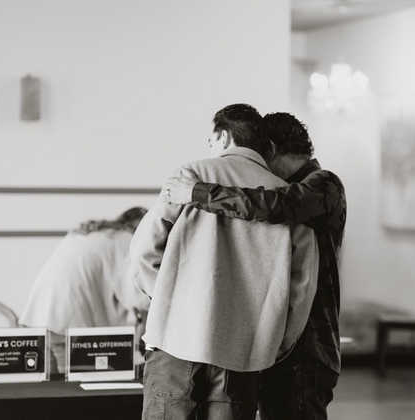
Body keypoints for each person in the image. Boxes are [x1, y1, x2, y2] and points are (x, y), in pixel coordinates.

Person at [130, 104, 319, 420]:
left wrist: (169, 304)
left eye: (211, 140)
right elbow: (302, 286)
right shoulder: (288, 197)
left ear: (224, 136)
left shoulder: (191, 176)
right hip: (245, 353)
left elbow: (144, 252)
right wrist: (273, 342)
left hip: (176, 343)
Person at [19, 207, 150, 373]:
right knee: (70, 386)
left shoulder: (88, 233)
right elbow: (137, 295)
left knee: (50, 385)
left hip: (38, 317)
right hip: (66, 323)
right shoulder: (124, 239)